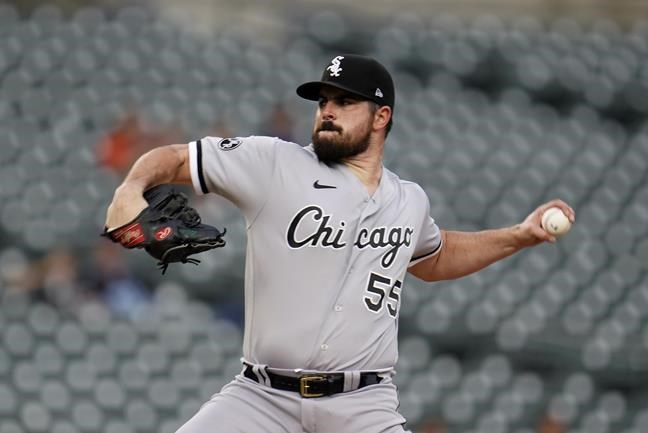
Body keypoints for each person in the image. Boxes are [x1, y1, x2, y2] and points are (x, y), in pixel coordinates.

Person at [105, 54, 575, 433]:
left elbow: (436, 257)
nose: (327, 109)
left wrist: (518, 236)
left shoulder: (408, 200)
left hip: (363, 407)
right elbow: (172, 159)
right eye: (323, 99)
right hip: (261, 399)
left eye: (345, 101)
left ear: (381, 116)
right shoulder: (275, 163)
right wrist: (130, 190)